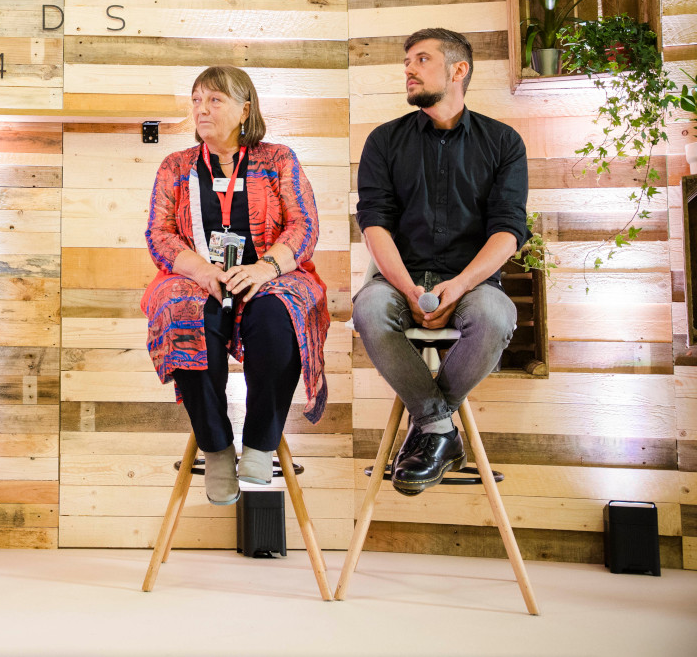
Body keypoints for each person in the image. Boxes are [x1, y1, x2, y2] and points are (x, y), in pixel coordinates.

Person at [141, 65, 331, 505]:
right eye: (196, 100)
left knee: (277, 316)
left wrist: (267, 268)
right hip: (199, 278)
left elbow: (305, 225)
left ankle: (261, 445)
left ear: (244, 109)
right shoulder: (176, 166)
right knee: (185, 313)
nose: (201, 109)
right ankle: (216, 448)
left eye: (214, 100)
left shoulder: (278, 158)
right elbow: (159, 233)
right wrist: (203, 272)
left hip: (269, 274)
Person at [354, 28, 528, 496]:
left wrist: (463, 285)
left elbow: (509, 230)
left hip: (473, 283)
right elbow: (374, 223)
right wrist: (409, 289)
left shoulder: (504, 142)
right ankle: (439, 428)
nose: (408, 69)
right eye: (407, 60)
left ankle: (431, 429)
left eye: (421, 59)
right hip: (398, 278)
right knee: (368, 308)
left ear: (458, 70)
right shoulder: (384, 141)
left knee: (495, 316)